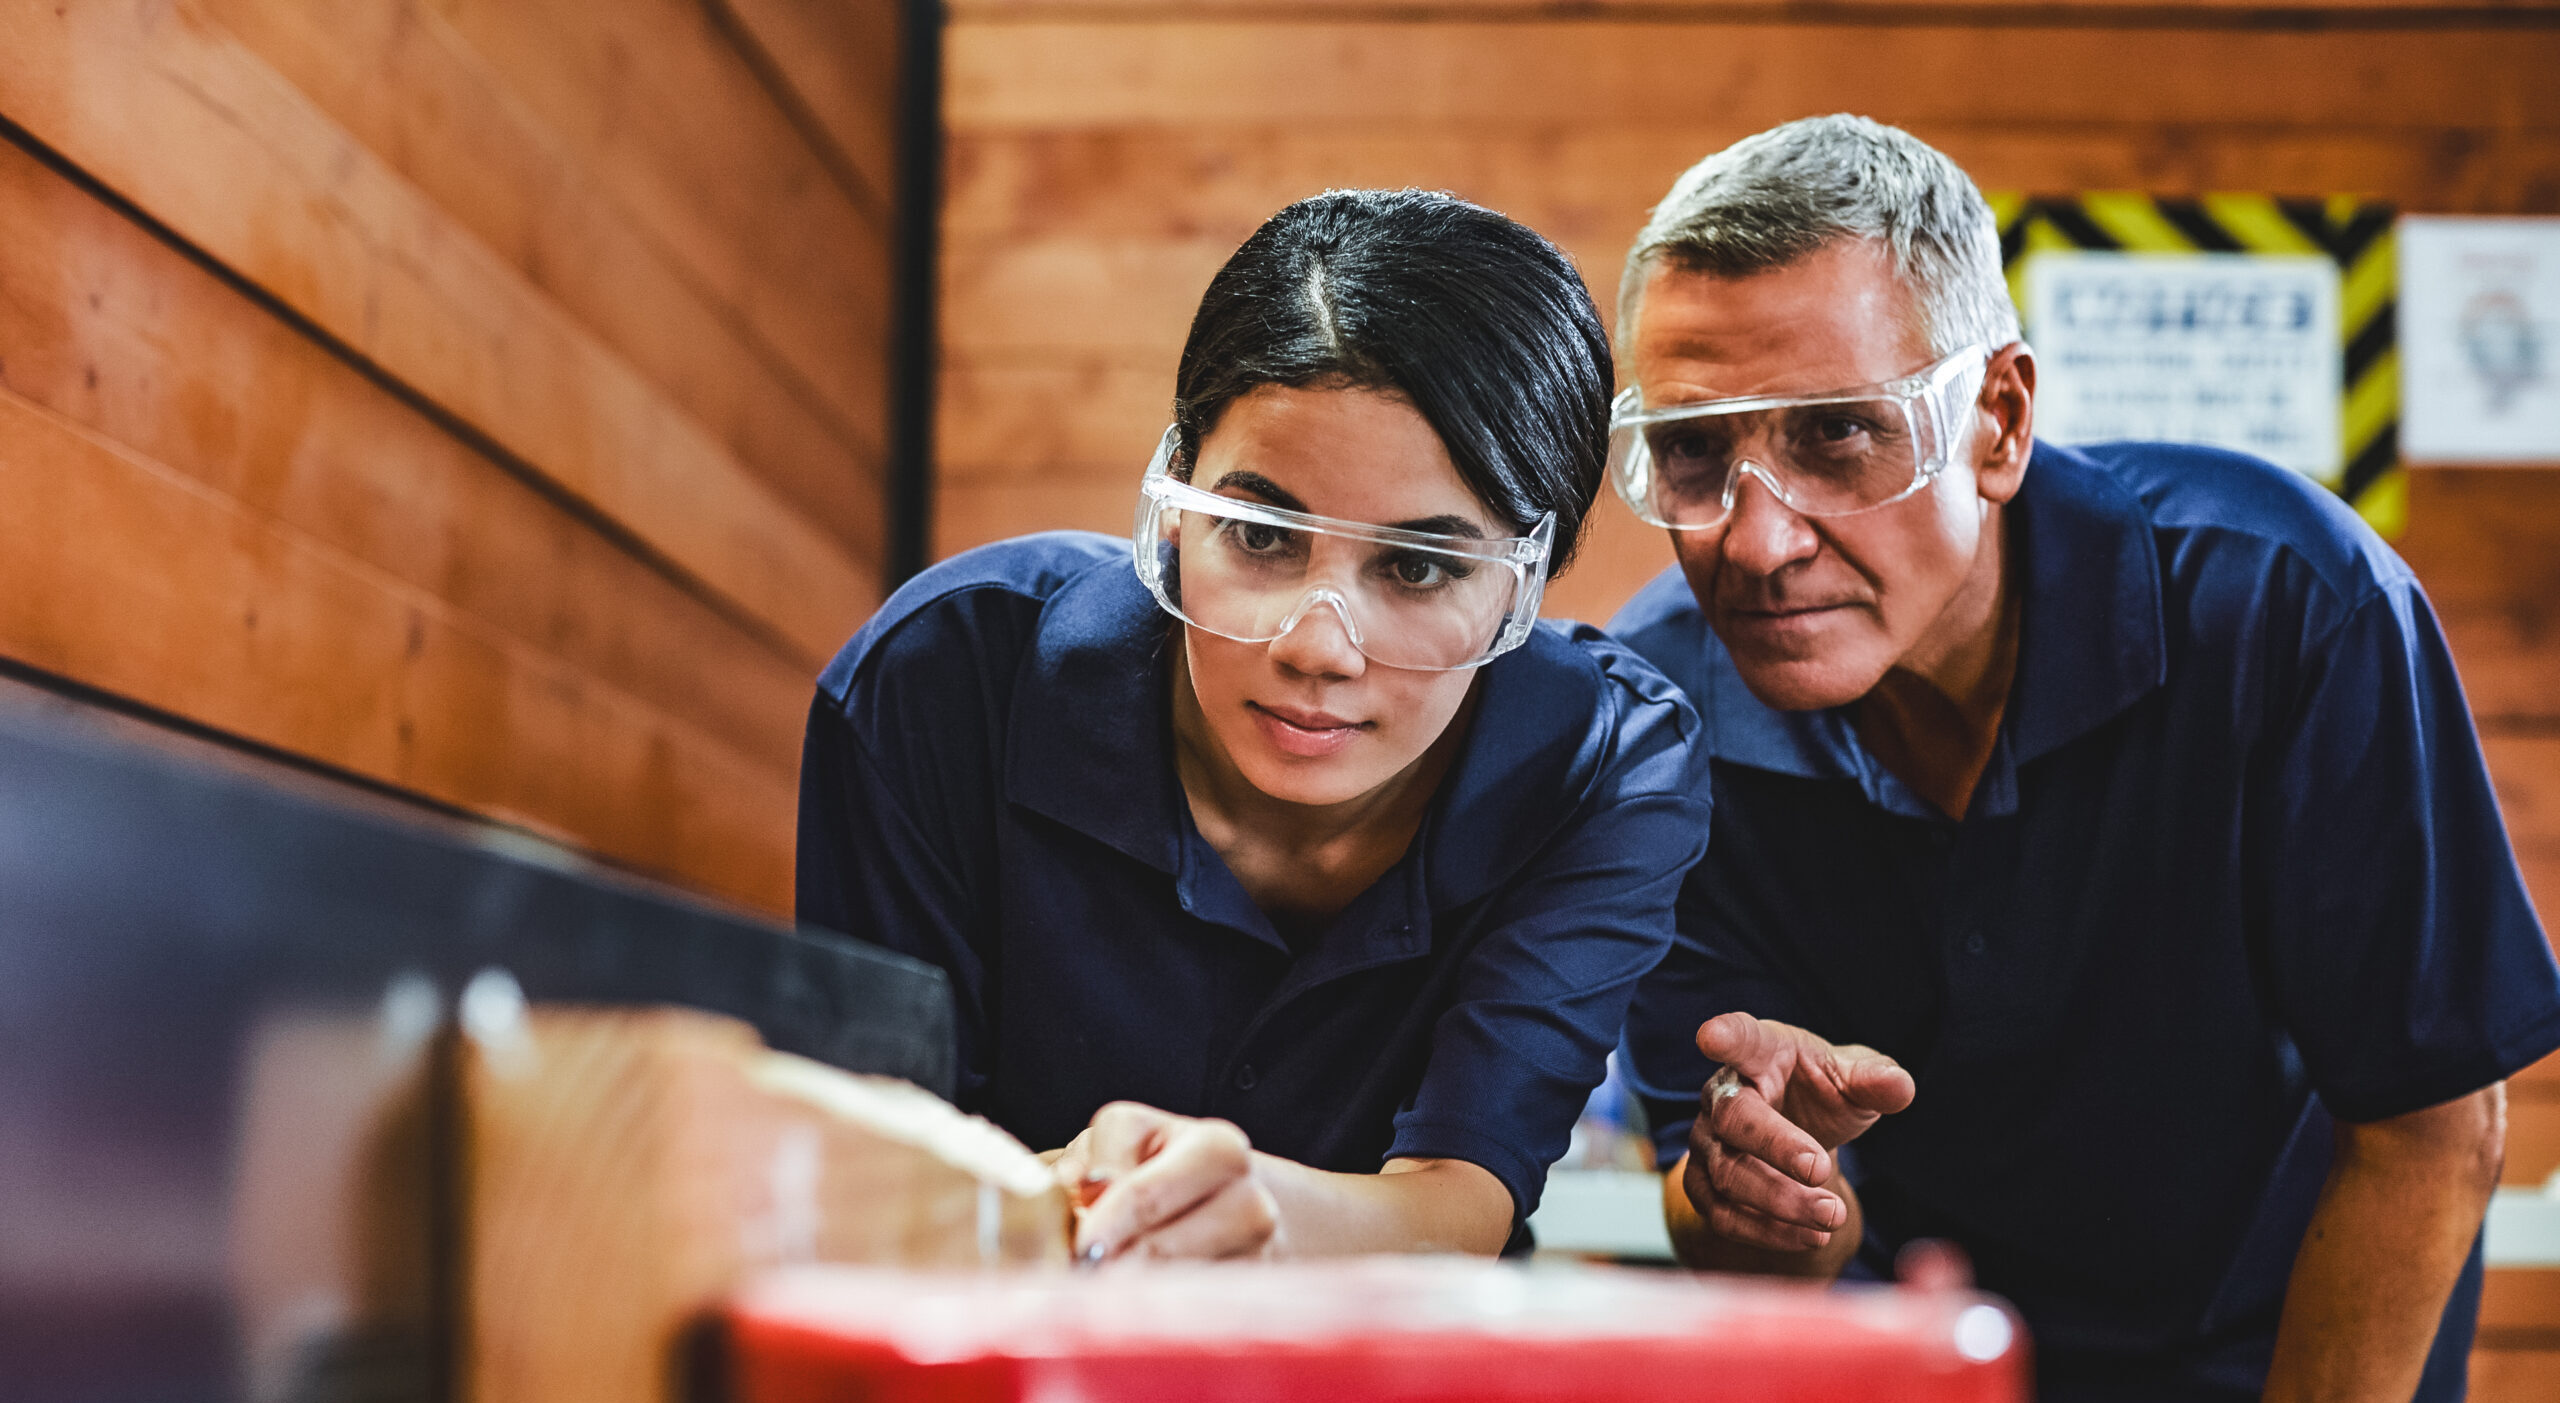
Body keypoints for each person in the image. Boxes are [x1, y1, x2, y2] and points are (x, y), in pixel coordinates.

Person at [1606, 115, 2560, 1402]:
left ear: (1996, 422)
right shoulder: (1655, 717)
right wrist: (1767, 1192)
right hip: (1921, 1363)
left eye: (1838, 434)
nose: (1757, 539)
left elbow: (2430, 1124)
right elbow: (1743, 1237)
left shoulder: (2286, 607)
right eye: (1694, 447)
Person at [798, 189, 1710, 1262]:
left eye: (1416, 567)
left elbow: (1465, 1192)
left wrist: (1258, 1217)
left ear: (1528, 583)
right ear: (1177, 497)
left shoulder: (1608, 764)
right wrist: (1069, 1200)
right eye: (1262, 537)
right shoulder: (940, 679)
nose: (1317, 645)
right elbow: (862, 1173)